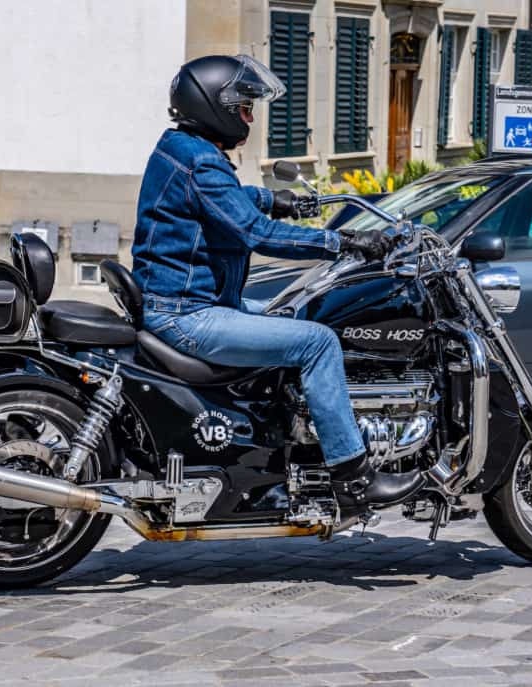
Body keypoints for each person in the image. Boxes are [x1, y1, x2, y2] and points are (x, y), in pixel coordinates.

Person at [131, 54, 424, 510]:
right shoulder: (202, 162)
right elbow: (257, 235)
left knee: (288, 312)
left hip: (183, 302)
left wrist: (276, 200)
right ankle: (353, 477)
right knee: (319, 342)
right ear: (216, 106)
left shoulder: (181, 149)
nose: (249, 117)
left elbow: (223, 200)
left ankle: (282, 449)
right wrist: (343, 242)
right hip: (190, 314)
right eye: (244, 107)